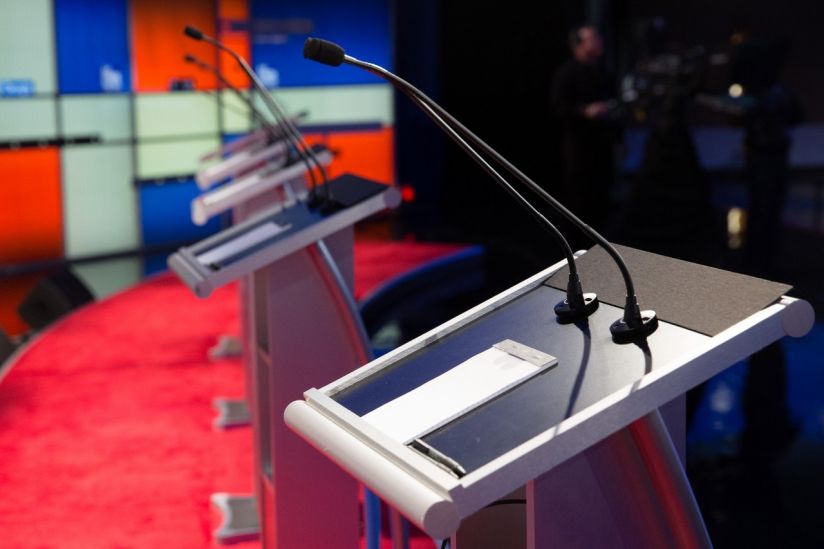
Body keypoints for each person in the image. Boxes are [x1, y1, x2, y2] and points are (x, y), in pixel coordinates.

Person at [550, 24, 620, 243]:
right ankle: (577, 248)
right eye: (593, 38)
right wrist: (584, 111)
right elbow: (558, 108)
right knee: (579, 201)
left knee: (603, 200)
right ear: (577, 45)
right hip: (579, 149)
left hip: (603, 147)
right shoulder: (566, 74)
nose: (598, 41)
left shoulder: (604, 73)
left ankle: (602, 247)